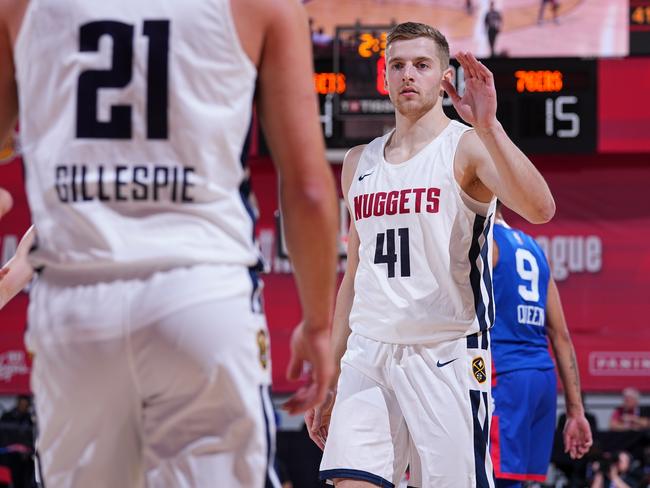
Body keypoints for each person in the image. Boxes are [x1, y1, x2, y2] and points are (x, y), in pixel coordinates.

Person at [0, 0, 339, 487]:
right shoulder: (264, 6)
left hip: (77, 304)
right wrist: (317, 326)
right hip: (202, 293)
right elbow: (308, 191)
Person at [306, 21, 555, 487]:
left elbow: (542, 209)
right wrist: (331, 370)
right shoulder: (359, 162)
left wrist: (490, 126)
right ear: (384, 75)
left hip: (447, 354)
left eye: (421, 65)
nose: (407, 75)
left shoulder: (467, 148)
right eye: (397, 65)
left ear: (444, 77)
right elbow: (355, 275)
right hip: (369, 352)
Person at [489, 202, 593, 487]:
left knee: (495, 480)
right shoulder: (534, 248)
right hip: (541, 381)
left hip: (505, 378)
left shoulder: (484, 243)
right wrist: (575, 411)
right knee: (516, 481)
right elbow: (560, 335)